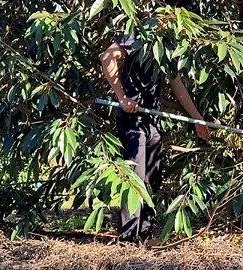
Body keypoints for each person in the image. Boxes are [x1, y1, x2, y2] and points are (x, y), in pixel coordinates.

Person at [99, 3, 209, 242]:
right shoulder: (139, 34)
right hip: (132, 119)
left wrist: (197, 119)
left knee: (153, 174)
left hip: (152, 119)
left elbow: (177, 86)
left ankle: (145, 234)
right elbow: (107, 57)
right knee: (135, 177)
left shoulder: (168, 47)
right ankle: (128, 238)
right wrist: (122, 97)